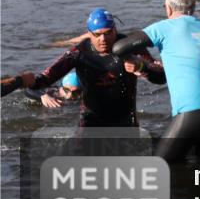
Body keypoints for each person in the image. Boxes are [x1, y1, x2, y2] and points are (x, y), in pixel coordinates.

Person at [113, 0, 200, 161]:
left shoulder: (164, 27)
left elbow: (120, 47)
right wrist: (148, 68)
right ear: (194, 6)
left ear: (167, 8)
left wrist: (137, 63)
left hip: (192, 108)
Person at [3, 9, 165, 127]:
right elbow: (43, 80)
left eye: (108, 33)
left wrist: (142, 66)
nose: (103, 39)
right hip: (90, 122)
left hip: (125, 122)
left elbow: (161, 77)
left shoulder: (130, 47)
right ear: (89, 34)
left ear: (115, 29)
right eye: (97, 34)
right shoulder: (79, 52)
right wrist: (22, 81)